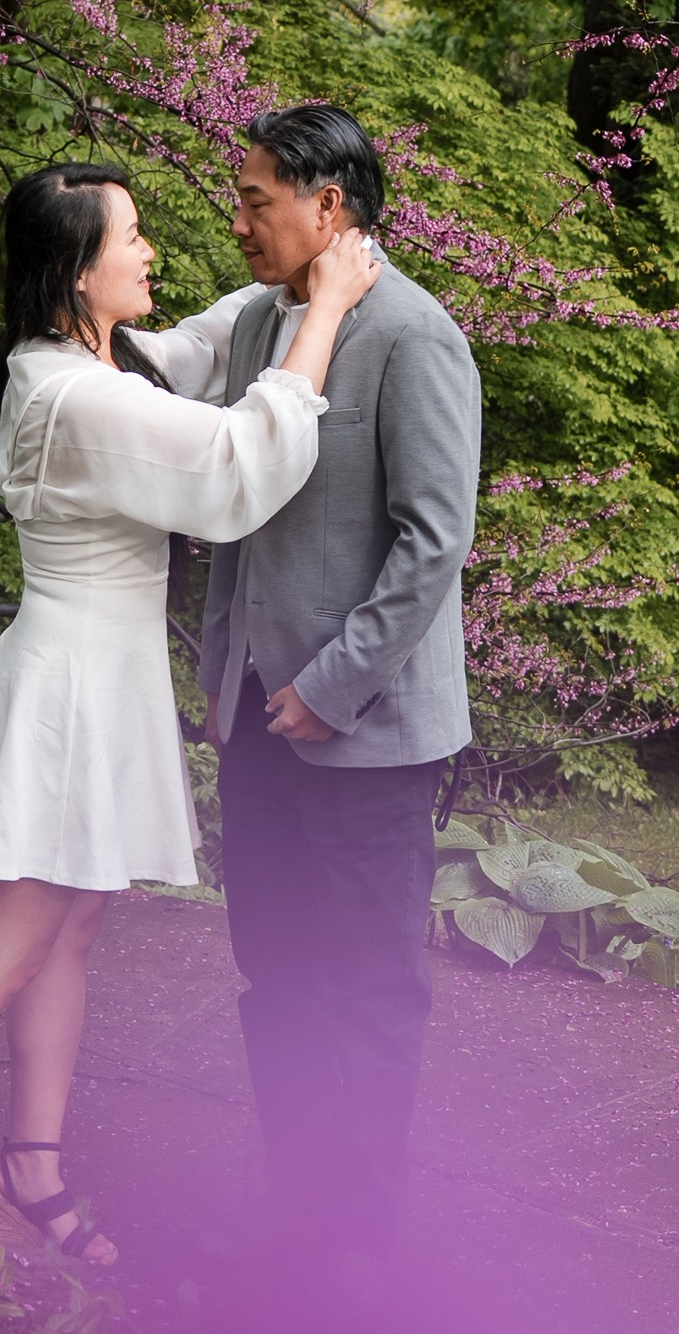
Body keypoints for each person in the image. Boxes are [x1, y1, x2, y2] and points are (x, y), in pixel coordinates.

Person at [0, 161, 380, 1266]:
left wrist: (300, 275)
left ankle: (30, 1174)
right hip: (68, 691)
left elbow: (204, 342)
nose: (151, 250)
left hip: (99, 681)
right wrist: (329, 311)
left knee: (64, 941)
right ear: (77, 271)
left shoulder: (98, 361)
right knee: (2, 950)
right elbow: (234, 462)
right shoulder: (75, 397)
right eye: (131, 236)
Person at [195, 105, 482, 1266]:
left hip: (365, 732)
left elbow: (433, 539)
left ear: (328, 205)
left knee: (366, 984)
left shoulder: (413, 335)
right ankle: (294, 1200)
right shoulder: (258, 323)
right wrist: (224, 671)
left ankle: (355, 1239)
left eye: (255, 198)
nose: (239, 220)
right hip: (255, 718)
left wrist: (331, 684)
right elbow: (239, 510)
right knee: (272, 968)